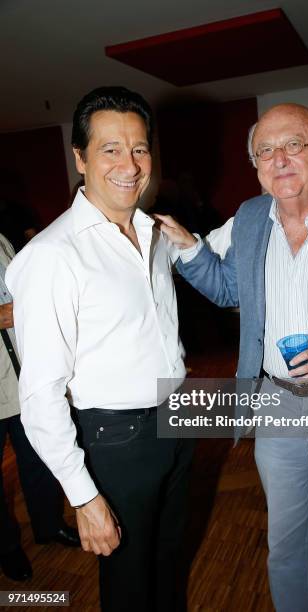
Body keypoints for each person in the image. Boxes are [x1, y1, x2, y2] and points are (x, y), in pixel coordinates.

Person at [157, 103, 308, 612]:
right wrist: (189, 248)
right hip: (276, 402)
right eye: (265, 150)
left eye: (294, 144)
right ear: (255, 164)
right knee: (286, 543)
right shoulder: (250, 217)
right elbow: (231, 290)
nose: (280, 160)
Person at [6, 87, 194, 611]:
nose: (129, 164)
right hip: (117, 437)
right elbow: (40, 394)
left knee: (168, 561)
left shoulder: (151, 230)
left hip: (178, 416)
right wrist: (84, 497)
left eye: (139, 148)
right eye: (110, 149)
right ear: (80, 158)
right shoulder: (52, 255)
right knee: (130, 582)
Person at [0, 232, 79, 582]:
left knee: (39, 457)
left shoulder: (2, 239)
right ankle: (7, 547)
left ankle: (49, 526)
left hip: (23, 376)